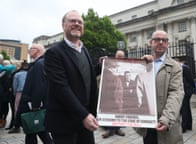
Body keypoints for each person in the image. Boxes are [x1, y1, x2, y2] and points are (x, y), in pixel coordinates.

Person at [44, 10, 100, 144]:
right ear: (63, 25)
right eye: (72, 21)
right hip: (65, 121)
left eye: (80, 22)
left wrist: (101, 66)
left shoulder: (84, 49)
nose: (77, 24)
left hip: (86, 118)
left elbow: (83, 75)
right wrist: (84, 115)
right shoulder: (54, 53)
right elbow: (61, 88)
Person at [136, 30, 184, 144]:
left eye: (164, 40)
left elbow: (176, 93)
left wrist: (166, 118)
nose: (161, 42)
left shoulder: (175, 67)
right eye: (157, 39)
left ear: (168, 44)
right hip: (147, 123)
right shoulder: (143, 65)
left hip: (166, 122)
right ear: (150, 42)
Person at [16, 44, 52, 144]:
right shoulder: (40, 63)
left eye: (30, 49)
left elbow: (39, 85)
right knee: (34, 131)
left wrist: (35, 104)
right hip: (34, 104)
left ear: (37, 50)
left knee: (35, 130)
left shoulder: (39, 64)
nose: (28, 51)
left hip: (34, 105)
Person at [101, 50, 125, 138]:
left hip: (122, 91)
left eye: (122, 56)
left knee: (119, 109)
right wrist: (103, 62)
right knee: (110, 109)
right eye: (118, 56)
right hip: (111, 91)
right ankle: (110, 129)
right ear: (115, 56)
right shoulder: (111, 65)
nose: (120, 58)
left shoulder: (125, 66)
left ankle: (118, 129)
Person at [8, 61, 28, 133]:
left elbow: (15, 86)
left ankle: (17, 125)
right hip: (28, 93)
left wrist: (14, 93)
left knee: (17, 109)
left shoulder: (17, 74)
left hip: (19, 92)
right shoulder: (29, 74)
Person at [176, 58, 195, 133]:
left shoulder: (184, 68)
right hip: (182, 91)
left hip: (186, 91)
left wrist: (191, 90)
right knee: (186, 108)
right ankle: (188, 125)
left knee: (184, 109)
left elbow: (191, 80)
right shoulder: (178, 68)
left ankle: (184, 127)